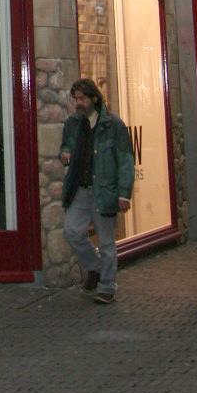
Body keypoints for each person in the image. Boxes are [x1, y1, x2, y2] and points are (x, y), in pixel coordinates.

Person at [60, 77, 135, 304]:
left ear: (94, 98)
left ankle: (107, 286)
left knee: (106, 241)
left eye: (82, 98)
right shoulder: (73, 123)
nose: (78, 103)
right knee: (72, 231)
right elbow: (65, 146)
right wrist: (64, 153)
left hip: (104, 190)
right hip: (80, 189)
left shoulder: (113, 125)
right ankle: (94, 267)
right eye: (76, 99)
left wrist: (124, 193)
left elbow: (125, 160)